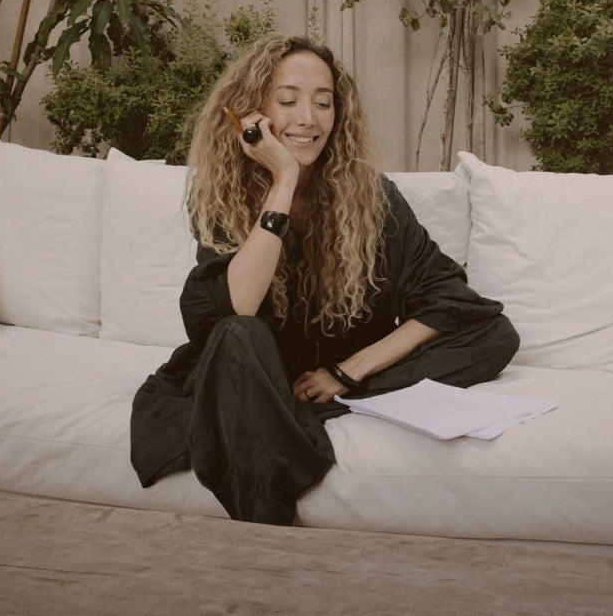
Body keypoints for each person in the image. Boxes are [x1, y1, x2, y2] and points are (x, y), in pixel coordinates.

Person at [130, 32, 519, 525]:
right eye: (287, 101)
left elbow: (449, 300)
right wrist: (283, 180)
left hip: (338, 374)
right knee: (237, 336)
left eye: (323, 103)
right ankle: (268, 517)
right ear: (252, 114)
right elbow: (238, 307)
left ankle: (319, 404)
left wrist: (346, 372)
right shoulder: (223, 195)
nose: (307, 119)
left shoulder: (372, 197)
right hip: (251, 374)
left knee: (494, 334)